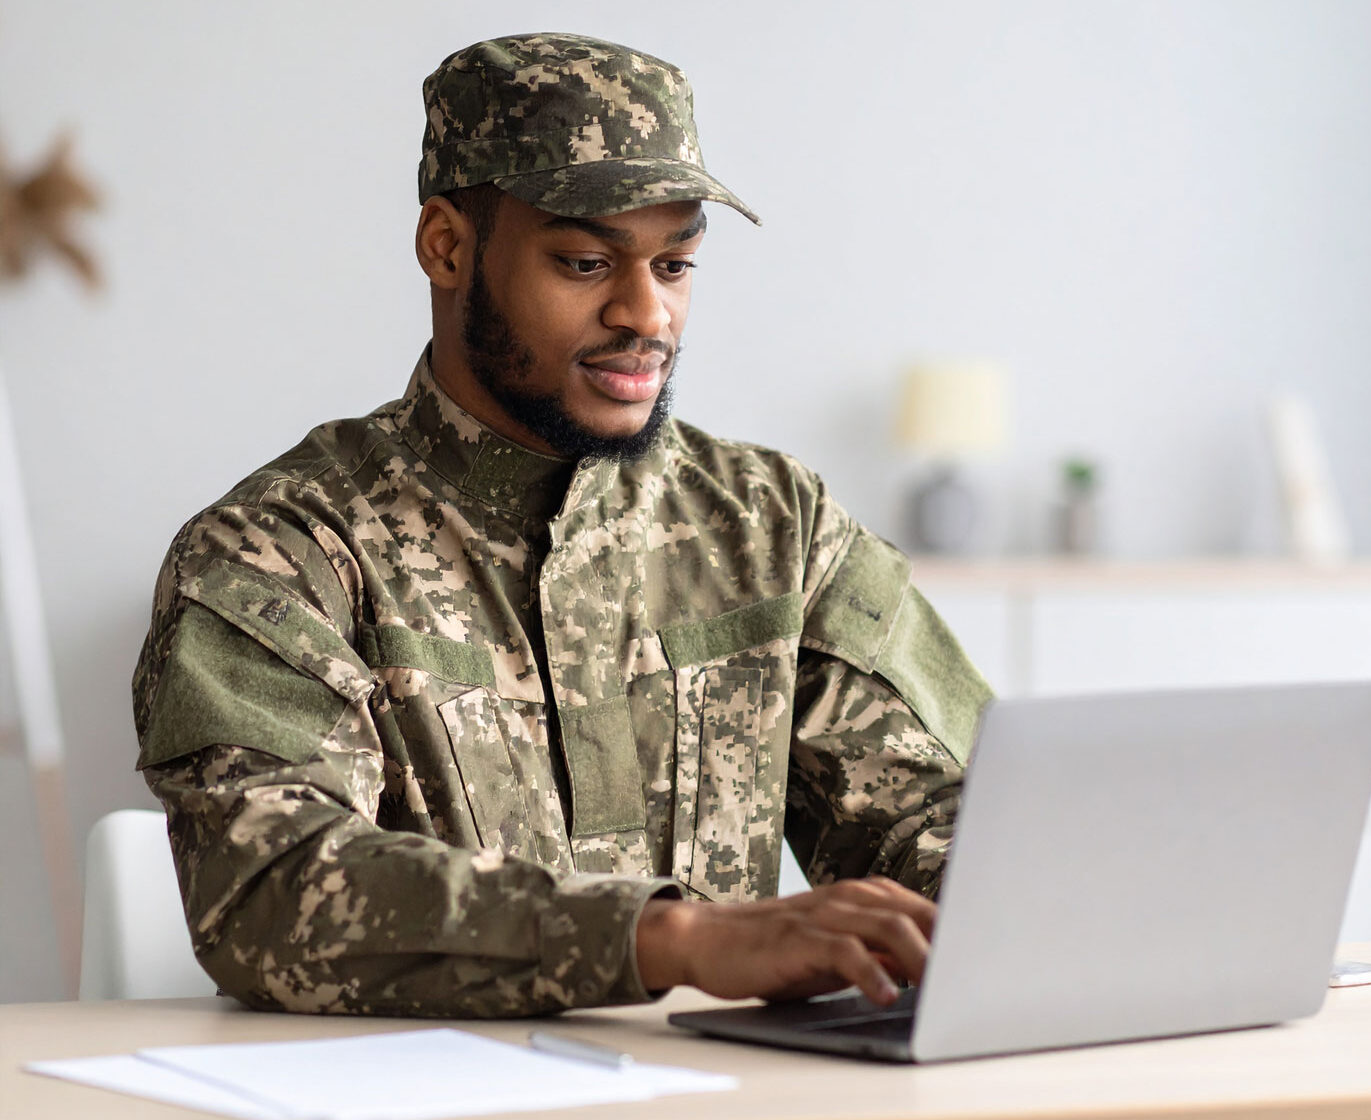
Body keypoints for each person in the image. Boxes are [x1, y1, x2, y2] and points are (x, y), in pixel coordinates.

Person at [132, 32, 991, 1019]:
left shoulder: (773, 524)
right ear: (447, 246)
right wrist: (674, 941)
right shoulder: (277, 550)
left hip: (735, 1087)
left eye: (675, 264)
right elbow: (269, 891)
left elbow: (950, 823)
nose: (647, 314)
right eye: (586, 261)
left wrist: (1011, 910)